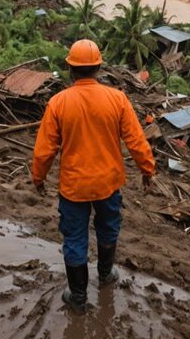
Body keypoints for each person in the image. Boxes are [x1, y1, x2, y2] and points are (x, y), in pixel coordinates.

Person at [31, 39, 156, 312]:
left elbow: (44, 150)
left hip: (74, 187)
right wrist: (147, 170)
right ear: (98, 68)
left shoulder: (58, 103)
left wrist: (38, 178)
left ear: (70, 68)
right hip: (108, 184)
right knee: (108, 228)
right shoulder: (117, 99)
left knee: (75, 239)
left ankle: (77, 296)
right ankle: (106, 274)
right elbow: (136, 141)